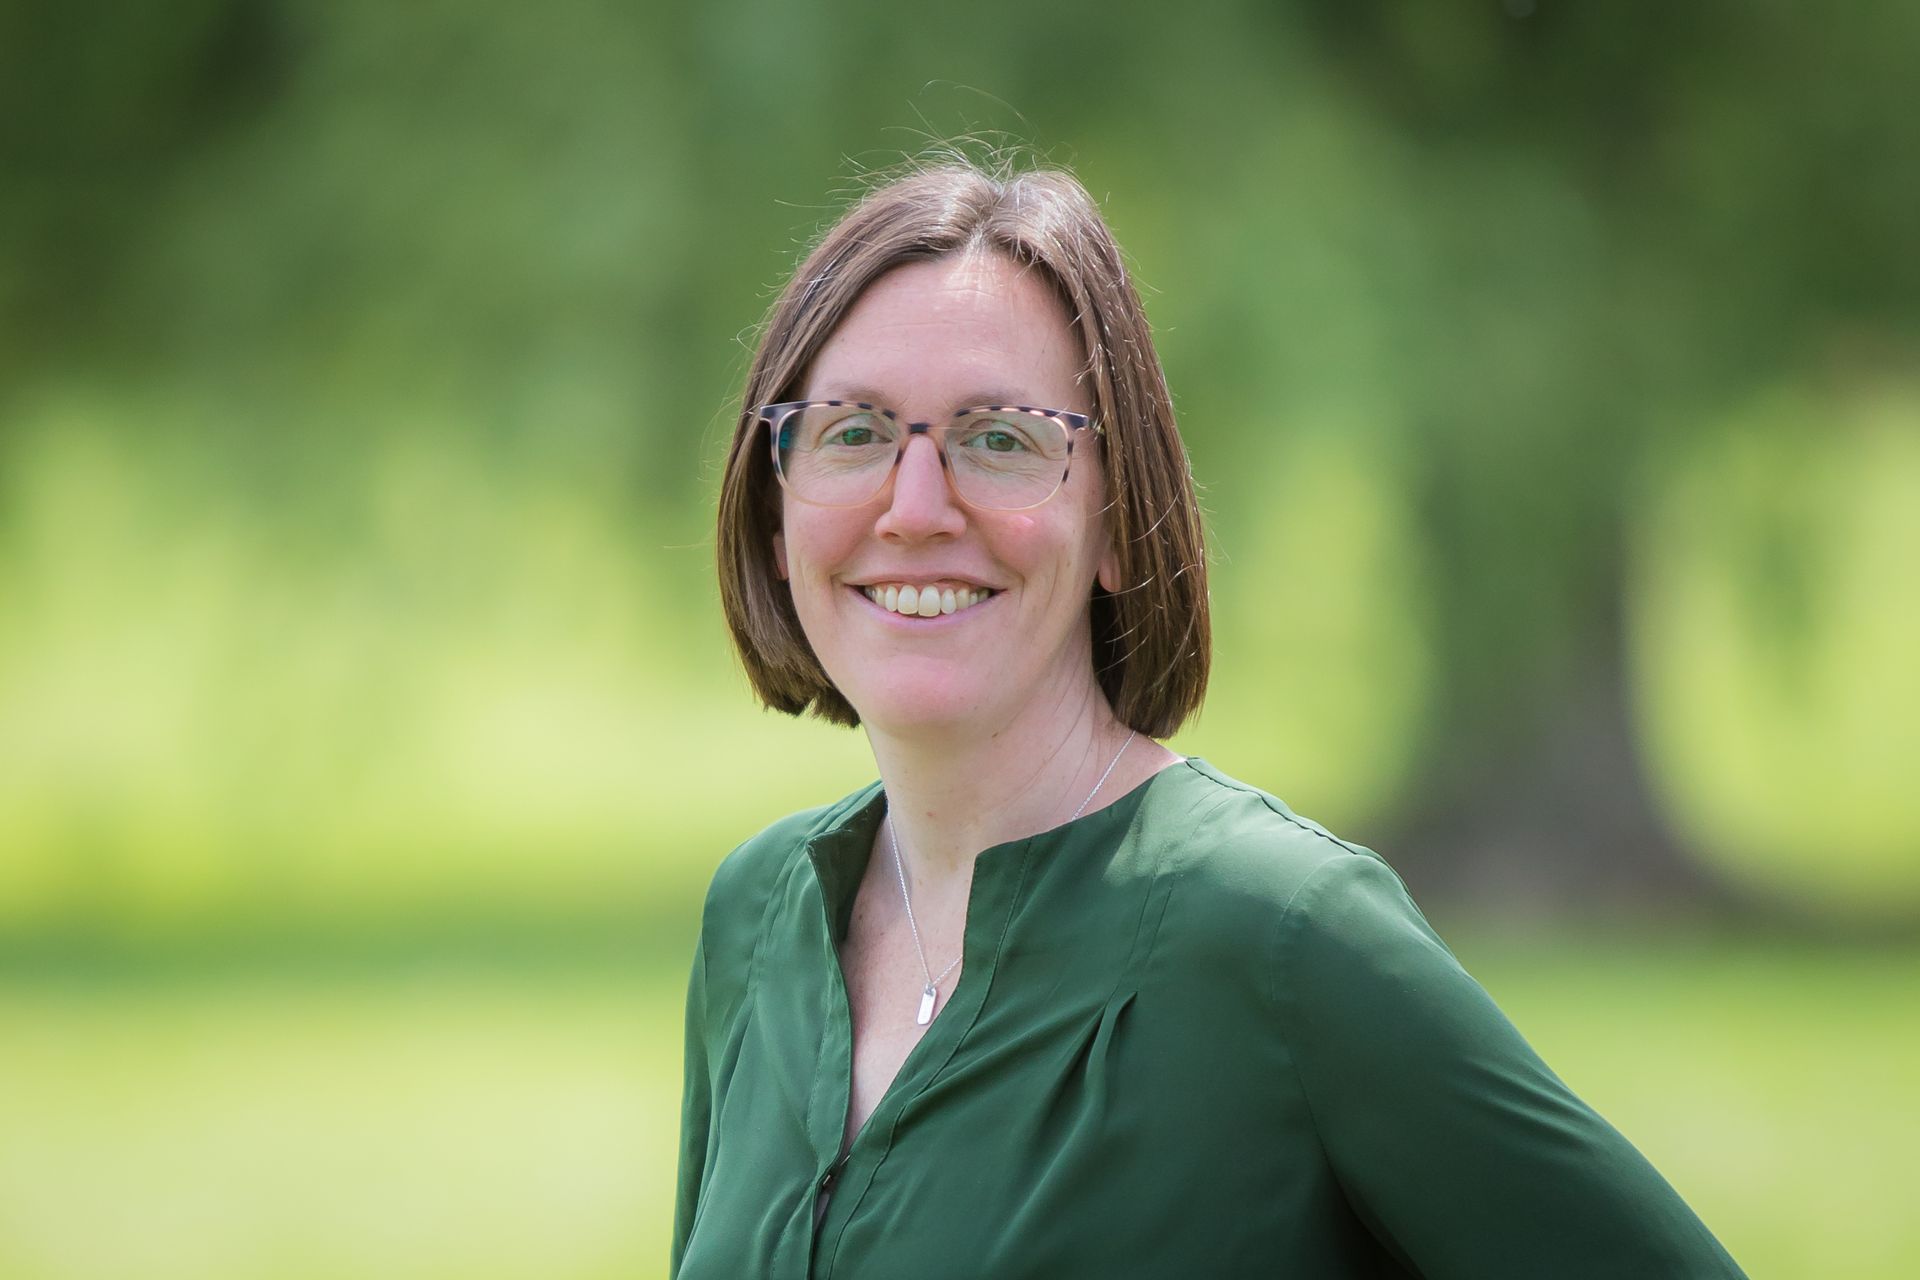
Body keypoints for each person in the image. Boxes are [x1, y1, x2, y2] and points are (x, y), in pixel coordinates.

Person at [675, 159, 1746, 1279]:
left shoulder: (1283, 935)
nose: (915, 506)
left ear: (1119, 520)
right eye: (853, 431)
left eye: (1001, 438)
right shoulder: (759, 919)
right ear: (775, 502)